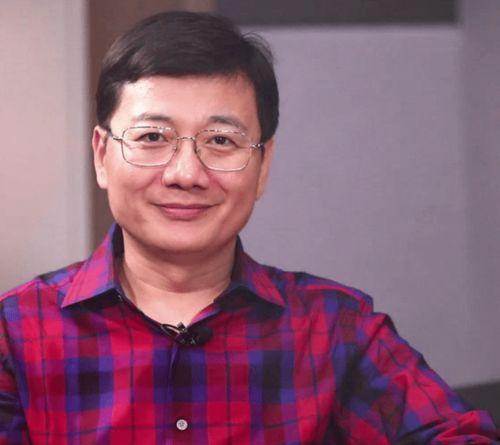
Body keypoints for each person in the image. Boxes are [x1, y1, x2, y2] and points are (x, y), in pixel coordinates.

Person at [0, 11, 498, 445]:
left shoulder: (336, 329)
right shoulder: (17, 334)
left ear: (263, 167)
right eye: (152, 136)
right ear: (102, 155)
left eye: (221, 141)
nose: (186, 174)